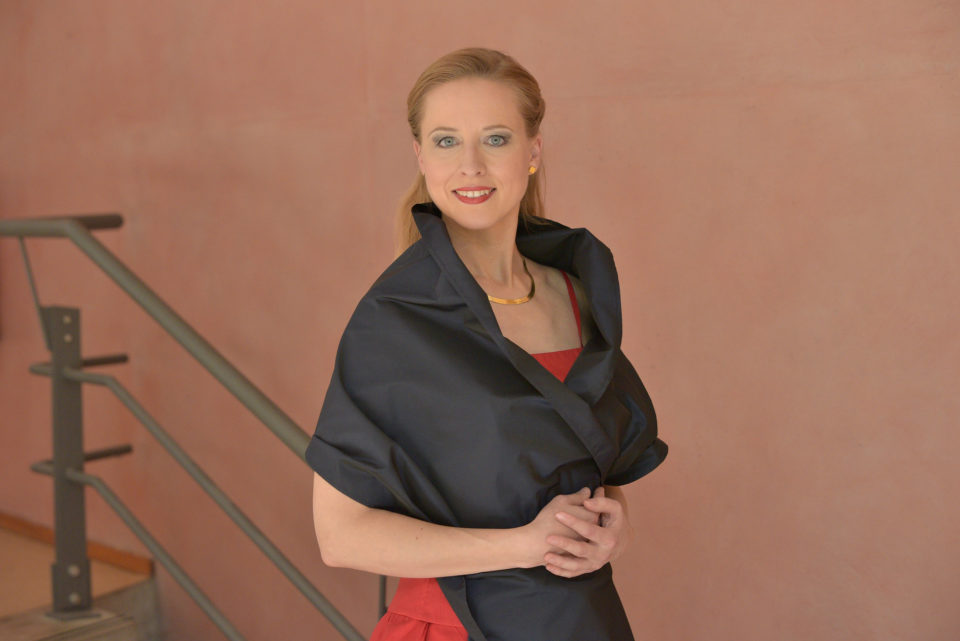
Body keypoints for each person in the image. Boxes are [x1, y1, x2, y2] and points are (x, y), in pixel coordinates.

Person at [308, 47, 667, 641]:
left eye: (495, 139)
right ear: (420, 156)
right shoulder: (396, 320)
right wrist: (523, 545)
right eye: (446, 141)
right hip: (458, 627)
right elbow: (340, 537)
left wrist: (615, 526)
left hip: (582, 620)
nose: (470, 165)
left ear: (533, 150)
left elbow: (593, 466)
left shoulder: (577, 294)